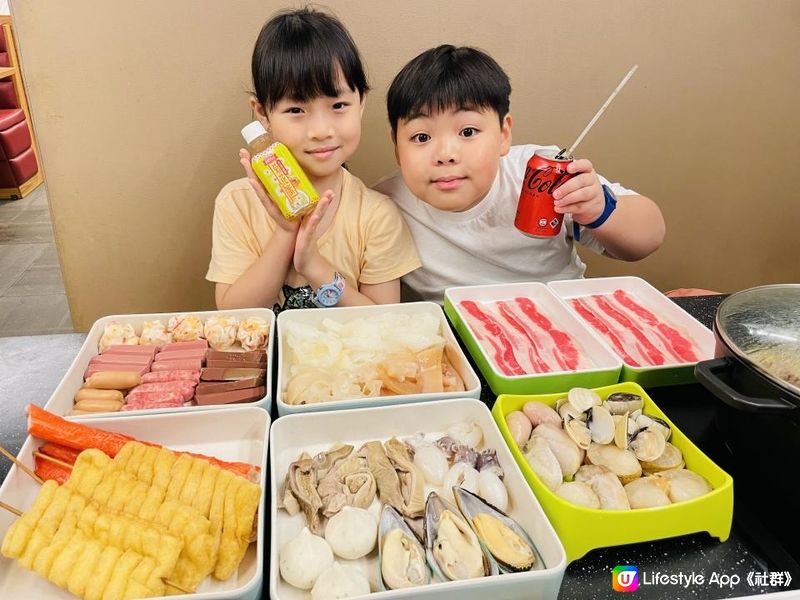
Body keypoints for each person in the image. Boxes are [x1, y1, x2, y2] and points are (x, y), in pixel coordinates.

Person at [374, 45, 665, 303]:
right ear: (397, 148)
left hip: (563, 324)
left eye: (468, 131)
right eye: (422, 137)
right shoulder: (382, 205)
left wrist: (600, 210)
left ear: (503, 135)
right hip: (460, 342)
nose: (446, 154)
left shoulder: (540, 172)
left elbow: (649, 237)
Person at [207, 8, 420, 312]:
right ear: (263, 113)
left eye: (338, 104)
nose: (321, 131)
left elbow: (382, 323)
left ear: (361, 102)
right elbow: (233, 316)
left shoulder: (376, 215)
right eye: (296, 110)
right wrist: (286, 233)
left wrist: (315, 267)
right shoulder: (237, 203)